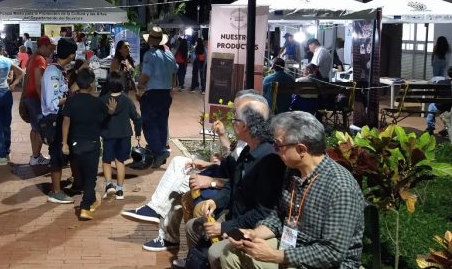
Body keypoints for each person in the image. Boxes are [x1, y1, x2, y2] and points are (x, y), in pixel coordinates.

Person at [121, 91, 265, 256]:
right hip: (220, 175)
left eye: (238, 112)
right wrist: (212, 160)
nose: (233, 116)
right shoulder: (246, 143)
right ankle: (160, 220)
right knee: (179, 166)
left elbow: (240, 183)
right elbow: (233, 161)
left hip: (222, 186)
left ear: (252, 118)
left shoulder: (262, 153)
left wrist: (211, 181)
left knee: (180, 181)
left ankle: (162, 223)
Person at [220, 111, 365, 269]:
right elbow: (278, 214)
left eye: (278, 145)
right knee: (230, 254)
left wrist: (275, 256)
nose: (275, 150)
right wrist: (254, 233)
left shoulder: (340, 187)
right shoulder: (293, 171)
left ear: (301, 150)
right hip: (291, 247)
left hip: (325, 263)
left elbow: (332, 253)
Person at [182, 98, 285, 269]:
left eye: (235, 120)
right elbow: (233, 185)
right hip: (235, 218)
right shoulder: (248, 149)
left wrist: (224, 227)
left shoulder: (268, 160)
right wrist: (216, 201)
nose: (231, 123)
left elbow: (262, 212)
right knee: (193, 226)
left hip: (254, 228)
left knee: (214, 250)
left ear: (244, 126)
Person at [61, 69, 117, 220]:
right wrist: (111, 111)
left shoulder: (71, 101)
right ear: (92, 84)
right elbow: (107, 117)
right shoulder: (97, 102)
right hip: (92, 144)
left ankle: (90, 200)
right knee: (90, 177)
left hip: (75, 144)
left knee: (81, 174)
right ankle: (85, 207)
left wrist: (64, 143)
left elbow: (66, 121)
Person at [42, 39, 78, 204]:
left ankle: (59, 186)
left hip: (60, 117)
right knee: (56, 154)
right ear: (71, 55)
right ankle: (56, 191)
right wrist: (71, 96)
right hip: (53, 118)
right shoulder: (52, 73)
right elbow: (52, 102)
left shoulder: (59, 70)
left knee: (62, 153)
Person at [137, 27, 178, 168]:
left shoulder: (150, 55)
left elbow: (146, 75)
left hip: (153, 93)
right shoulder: (169, 54)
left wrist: (139, 85)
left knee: (148, 123)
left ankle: (159, 151)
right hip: (166, 94)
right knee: (161, 123)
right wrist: (171, 89)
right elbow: (174, 73)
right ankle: (161, 152)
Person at [100, 71, 142, 201]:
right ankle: (119, 190)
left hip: (109, 135)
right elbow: (137, 118)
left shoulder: (103, 100)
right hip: (124, 135)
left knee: (106, 161)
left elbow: (99, 118)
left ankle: (108, 185)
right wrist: (138, 132)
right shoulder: (127, 100)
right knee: (120, 161)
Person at [21, 36, 55, 166]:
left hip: (30, 97)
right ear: (44, 46)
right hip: (35, 98)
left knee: (35, 129)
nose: (51, 51)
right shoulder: (39, 59)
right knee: (41, 128)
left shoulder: (33, 58)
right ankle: (35, 157)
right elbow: (38, 83)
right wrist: (44, 101)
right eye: (50, 48)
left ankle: (35, 156)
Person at [426, 66, 452, 136]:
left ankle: (430, 128)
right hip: (450, 107)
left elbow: (436, 95)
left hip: (440, 106)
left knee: (431, 106)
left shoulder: (441, 82)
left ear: (448, 74)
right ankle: (447, 128)